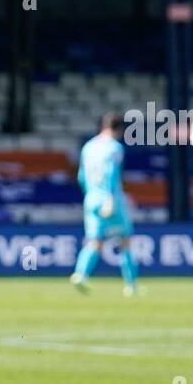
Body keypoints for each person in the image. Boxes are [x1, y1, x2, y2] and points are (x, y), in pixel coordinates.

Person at [70, 112, 138, 296]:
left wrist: (90, 195)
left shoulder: (88, 147)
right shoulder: (114, 148)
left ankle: (80, 275)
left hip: (91, 198)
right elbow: (111, 173)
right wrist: (108, 197)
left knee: (94, 241)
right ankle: (131, 286)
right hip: (110, 198)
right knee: (125, 240)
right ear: (119, 129)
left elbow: (81, 176)